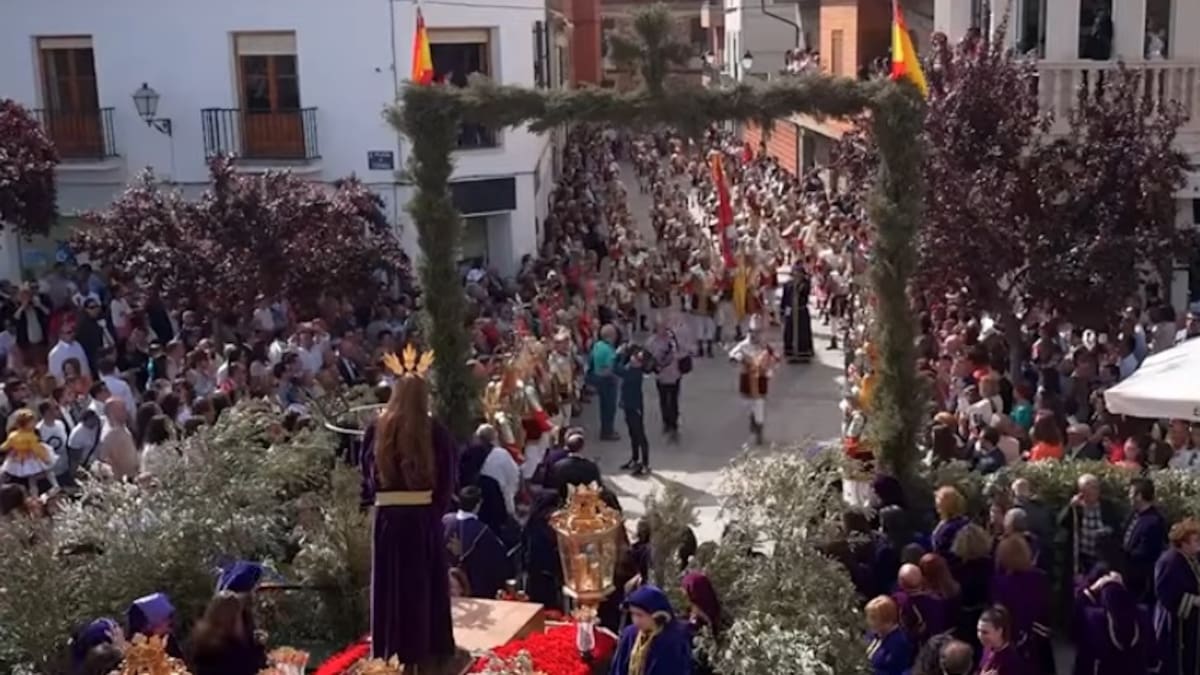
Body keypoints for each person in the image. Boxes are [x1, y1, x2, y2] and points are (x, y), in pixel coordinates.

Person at [359, 345, 457, 667]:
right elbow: (448, 478)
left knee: (390, 586)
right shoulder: (436, 431)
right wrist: (431, 513)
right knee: (422, 588)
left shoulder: (376, 428)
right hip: (422, 519)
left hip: (388, 519)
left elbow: (367, 476)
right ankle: (427, 650)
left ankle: (389, 649)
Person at [1074, 570, 1161, 675]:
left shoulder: (1096, 618)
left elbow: (1077, 612)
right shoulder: (1142, 616)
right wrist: (1119, 586)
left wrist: (1092, 590)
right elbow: (1153, 659)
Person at [989, 535, 1052, 674]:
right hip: (1037, 637)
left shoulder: (1000, 583)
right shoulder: (1040, 578)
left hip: (1013, 638)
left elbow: (998, 613)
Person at [442, 486, 511, 600]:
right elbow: (499, 560)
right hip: (472, 588)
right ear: (479, 504)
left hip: (446, 582)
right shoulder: (483, 531)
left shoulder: (445, 521)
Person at [610, 585, 693, 675]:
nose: (635, 620)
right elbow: (618, 669)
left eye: (640, 615)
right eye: (632, 614)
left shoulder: (673, 639)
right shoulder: (630, 634)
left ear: (657, 615)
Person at [1154, 517, 1200, 675]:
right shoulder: (1169, 561)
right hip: (1174, 624)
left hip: (1191, 624)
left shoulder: (1191, 559)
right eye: (1195, 540)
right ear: (1184, 542)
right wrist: (1194, 601)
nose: (1198, 544)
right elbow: (1164, 593)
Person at [187, 591, 268, 675]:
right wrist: (259, 648)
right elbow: (252, 668)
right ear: (233, 618)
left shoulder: (200, 639)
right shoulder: (231, 649)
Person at [728, 318, 776, 445]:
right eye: (753, 332)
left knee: (759, 404)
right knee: (748, 404)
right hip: (747, 379)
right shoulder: (743, 345)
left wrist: (769, 368)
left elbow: (774, 358)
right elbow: (733, 354)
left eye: (758, 332)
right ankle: (753, 419)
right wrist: (737, 358)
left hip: (760, 379)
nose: (755, 335)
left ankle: (759, 429)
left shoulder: (765, 346)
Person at [1059, 473, 1118, 578]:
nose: (1094, 492)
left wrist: (1106, 532)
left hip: (1102, 558)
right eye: (1089, 490)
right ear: (1081, 492)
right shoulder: (1077, 508)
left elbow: (1116, 527)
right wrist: (1070, 507)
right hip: (1082, 558)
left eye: (1095, 488)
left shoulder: (1107, 506)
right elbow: (1061, 522)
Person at [1123, 477, 1168, 605]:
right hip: (1126, 571)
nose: (1129, 497)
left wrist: (1125, 555)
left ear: (1139, 496)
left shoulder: (1154, 522)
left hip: (1141, 583)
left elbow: (1147, 553)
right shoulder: (1133, 515)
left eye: (1131, 493)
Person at [645, 320, 683, 441]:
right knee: (663, 399)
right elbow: (648, 358)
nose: (664, 330)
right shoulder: (651, 342)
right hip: (661, 376)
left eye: (665, 327)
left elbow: (680, 353)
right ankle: (666, 421)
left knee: (673, 400)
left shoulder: (672, 340)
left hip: (674, 374)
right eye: (661, 328)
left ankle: (673, 422)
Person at [615, 344, 650, 475]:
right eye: (634, 356)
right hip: (628, 405)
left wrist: (618, 355)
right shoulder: (630, 367)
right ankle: (635, 459)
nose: (633, 359)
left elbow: (617, 370)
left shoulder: (634, 372)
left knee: (640, 434)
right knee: (632, 433)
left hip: (635, 407)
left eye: (637, 359)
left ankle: (645, 463)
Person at [475, 424, 520, 519]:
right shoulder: (501, 454)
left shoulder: (470, 452)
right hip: (499, 501)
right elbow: (514, 474)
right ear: (494, 437)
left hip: (477, 504)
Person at [865, 594, 915, 675]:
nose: (868, 621)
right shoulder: (872, 634)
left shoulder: (900, 643)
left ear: (887, 619)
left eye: (873, 618)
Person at [547, 429, 602, 500]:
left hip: (562, 499)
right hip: (584, 501)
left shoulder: (558, 465)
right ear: (582, 447)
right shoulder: (591, 466)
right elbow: (597, 486)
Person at [126, 593, 183, 659]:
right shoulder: (132, 652)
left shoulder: (169, 642)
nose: (170, 621)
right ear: (147, 625)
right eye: (167, 618)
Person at [590, 324, 620, 440]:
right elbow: (609, 368)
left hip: (598, 379)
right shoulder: (608, 350)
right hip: (608, 381)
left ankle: (605, 429)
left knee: (603, 407)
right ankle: (608, 431)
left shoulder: (598, 345)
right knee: (609, 407)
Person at [977, 605, 1027, 674]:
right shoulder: (987, 649)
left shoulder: (1012, 662)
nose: (980, 635)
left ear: (999, 631)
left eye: (985, 632)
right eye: (978, 630)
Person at [780, 262, 814, 363]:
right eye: (795, 272)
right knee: (789, 331)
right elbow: (784, 299)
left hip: (801, 310)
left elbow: (805, 291)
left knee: (802, 332)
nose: (797, 274)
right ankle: (790, 353)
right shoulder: (787, 284)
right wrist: (782, 311)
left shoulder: (805, 284)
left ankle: (803, 353)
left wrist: (801, 283)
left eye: (799, 272)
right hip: (790, 311)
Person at [932, 487, 969, 562]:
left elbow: (940, 551)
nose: (937, 509)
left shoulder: (948, 530)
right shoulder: (966, 522)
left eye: (938, 506)